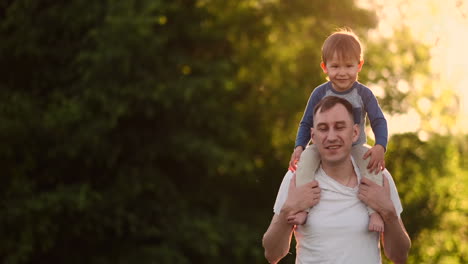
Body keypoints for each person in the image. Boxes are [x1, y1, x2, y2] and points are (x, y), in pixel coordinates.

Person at [263, 96, 410, 264]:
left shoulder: (377, 176)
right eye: (323, 128)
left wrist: (388, 212)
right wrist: (288, 210)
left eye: (339, 127)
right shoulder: (296, 178)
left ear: (355, 133)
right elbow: (272, 254)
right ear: (313, 135)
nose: (331, 136)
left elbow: (400, 256)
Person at [288, 28, 388, 232]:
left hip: (356, 145)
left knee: (372, 165)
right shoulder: (320, 93)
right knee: (306, 160)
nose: (342, 72)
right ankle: (303, 208)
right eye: (335, 66)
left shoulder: (364, 94)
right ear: (324, 67)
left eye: (349, 66)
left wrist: (380, 146)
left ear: (359, 66)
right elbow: (306, 123)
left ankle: (374, 211)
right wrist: (299, 146)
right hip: (324, 147)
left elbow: (379, 120)